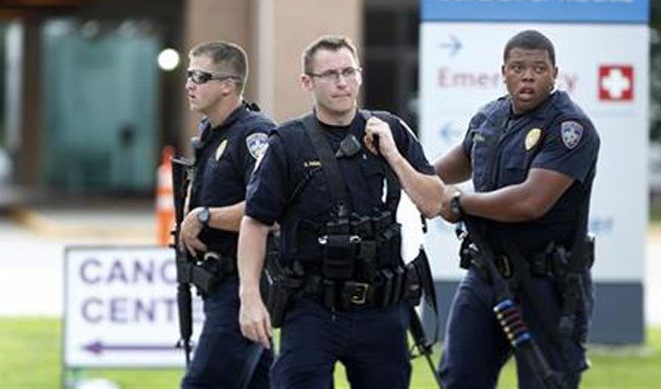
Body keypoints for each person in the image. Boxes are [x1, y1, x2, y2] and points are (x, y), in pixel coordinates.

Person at [237, 35, 444, 389]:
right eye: (330, 74)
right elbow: (255, 223)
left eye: (349, 71)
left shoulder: (389, 129)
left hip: (382, 308)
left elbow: (433, 203)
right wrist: (250, 297)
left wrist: (393, 155)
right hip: (312, 309)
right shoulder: (287, 142)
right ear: (308, 82)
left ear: (360, 76)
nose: (342, 82)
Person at [435, 30, 600, 389]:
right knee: (459, 378)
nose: (528, 75)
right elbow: (443, 171)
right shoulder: (488, 118)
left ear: (555, 73)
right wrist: (395, 167)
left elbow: (530, 202)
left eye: (539, 68)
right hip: (486, 275)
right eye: (518, 67)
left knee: (546, 382)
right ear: (503, 71)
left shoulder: (570, 127)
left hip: (547, 283)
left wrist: (461, 203)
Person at [179, 41, 275, 389]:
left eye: (199, 76)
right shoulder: (211, 132)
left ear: (228, 84)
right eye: (189, 75)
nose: (189, 83)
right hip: (218, 283)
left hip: (242, 285)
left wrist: (205, 216)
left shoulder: (254, 134)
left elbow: (271, 208)